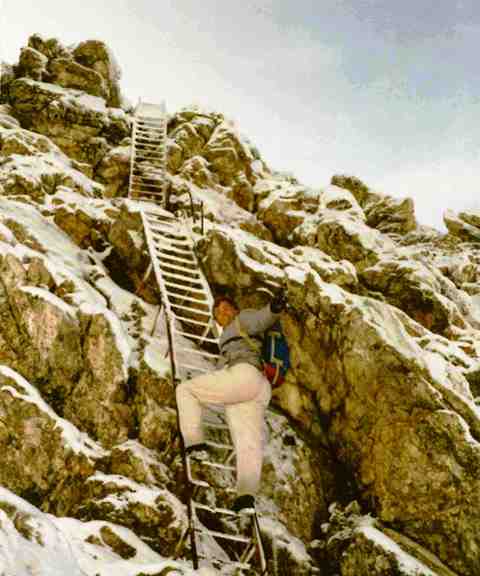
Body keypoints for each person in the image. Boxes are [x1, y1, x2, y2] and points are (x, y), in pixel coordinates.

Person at [175, 292, 286, 512]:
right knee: (247, 442)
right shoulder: (228, 338)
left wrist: (273, 308)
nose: (222, 312)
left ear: (235, 309)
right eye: (217, 312)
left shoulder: (243, 319)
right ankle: (245, 497)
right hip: (259, 388)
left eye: (226, 307)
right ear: (216, 321)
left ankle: (195, 445)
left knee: (186, 390)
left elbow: (260, 320)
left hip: (245, 375)